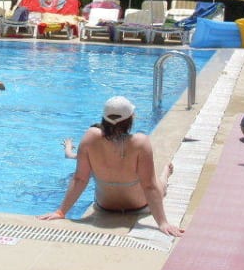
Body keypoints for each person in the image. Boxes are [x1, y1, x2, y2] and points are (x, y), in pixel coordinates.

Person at [39, 96, 183, 237]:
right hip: (139, 206)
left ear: (103, 119)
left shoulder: (90, 137)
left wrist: (61, 212)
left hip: (105, 206)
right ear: (131, 119)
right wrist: (162, 223)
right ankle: (164, 175)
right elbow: (149, 187)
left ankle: (164, 174)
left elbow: (80, 179)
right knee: (158, 185)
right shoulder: (140, 142)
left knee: (154, 183)